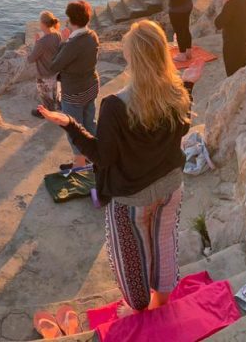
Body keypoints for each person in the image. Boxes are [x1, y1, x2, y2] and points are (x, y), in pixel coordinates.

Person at [39, 20, 194, 313]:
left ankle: (139, 310)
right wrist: (191, 84)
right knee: (163, 243)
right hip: (171, 186)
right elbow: (182, 129)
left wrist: (71, 125)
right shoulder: (178, 91)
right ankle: (162, 304)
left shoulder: (115, 105)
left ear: (131, 58)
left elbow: (103, 157)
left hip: (132, 197)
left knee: (132, 260)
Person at [49, 0, 99, 170]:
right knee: (89, 122)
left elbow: (54, 65)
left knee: (74, 129)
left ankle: (79, 164)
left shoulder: (72, 44)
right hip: (91, 87)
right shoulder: (92, 35)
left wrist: (63, 41)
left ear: (71, 20)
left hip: (74, 92)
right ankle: (93, 156)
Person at [27, 11, 62, 118]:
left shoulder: (42, 42)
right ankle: (59, 108)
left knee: (46, 97)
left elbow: (31, 59)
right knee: (56, 93)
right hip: (55, 72)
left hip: (44, 74)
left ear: (43, 24)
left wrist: (36, 43)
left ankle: (46, 113)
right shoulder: (57, 34)